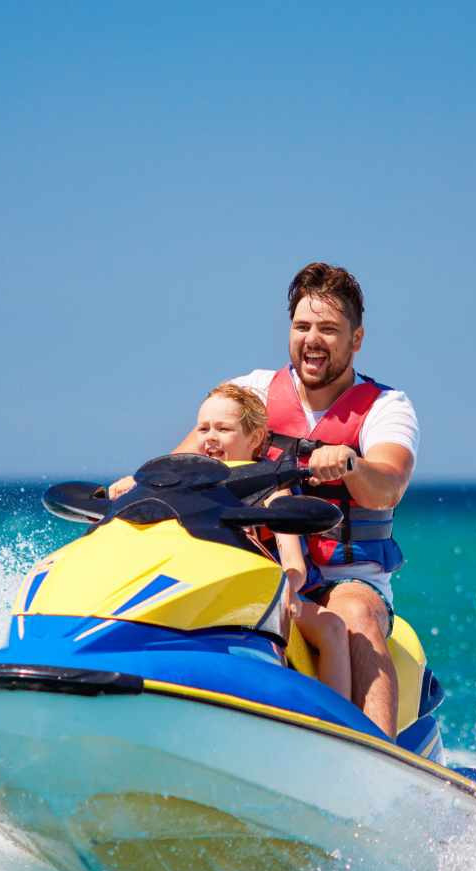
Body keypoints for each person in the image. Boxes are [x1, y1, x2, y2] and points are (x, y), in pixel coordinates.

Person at [113, 263, 416, 737]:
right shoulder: (250, 392)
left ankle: (379, 758)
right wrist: (134, 485)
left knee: (353, 613)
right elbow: (182, 464)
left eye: (329, 329)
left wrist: (351, 464)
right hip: (255, 562)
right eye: (302, 326)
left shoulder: (385, 407)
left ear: (356, 339)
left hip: (343, 577)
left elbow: (390, 482)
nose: (312, 339)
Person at [187, 384, 353, 707]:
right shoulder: (193, 491)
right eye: (203, 428)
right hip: (221, 592)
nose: (211, 437)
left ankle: (337, 722)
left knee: (332, 626)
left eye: (224, 429)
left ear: (255, 439)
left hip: (278, 593)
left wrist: (284, 590)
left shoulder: (272, 493)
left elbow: (294, 564)